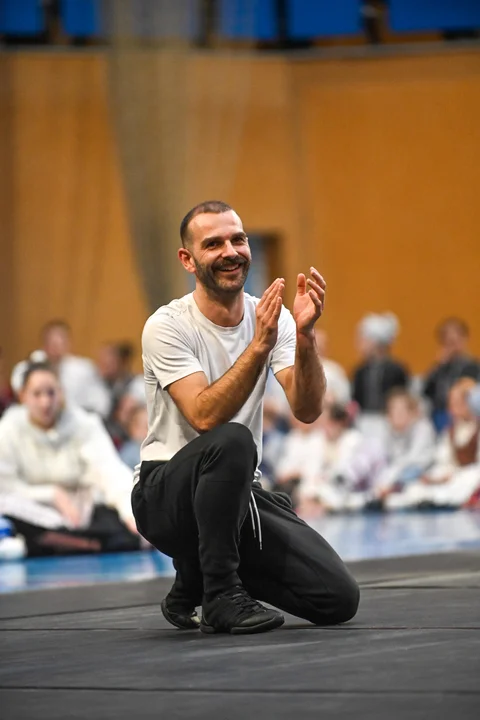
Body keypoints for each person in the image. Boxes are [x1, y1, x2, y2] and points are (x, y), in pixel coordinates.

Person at [132, 200, 359, 635]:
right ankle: (220, 595)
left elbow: (308, 409)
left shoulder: (274, 318)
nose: (230, 252)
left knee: (337, 598)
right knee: (234, 439)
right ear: (188, 260)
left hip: (235, 494)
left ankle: (193, 581)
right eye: (213, 244)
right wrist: (259, 346)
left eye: (238, 240)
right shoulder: (167, 325)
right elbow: (204, 415)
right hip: (165, 497)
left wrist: (306, 336)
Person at [0, 362, 140, 556]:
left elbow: (110, 471)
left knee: (123, 531)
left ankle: (58, 544)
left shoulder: (84, 424)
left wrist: (130, 513)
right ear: (22, 396)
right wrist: (51, 494)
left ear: (61, 392)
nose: (45, 402)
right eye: (37, 394)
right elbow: (6, 487)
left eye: (51, 393)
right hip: (34, 511)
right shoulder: (8, 428)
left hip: (83, 511)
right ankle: (79, 543)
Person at [386, 378, 480, 510]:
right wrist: (436, 477)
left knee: (468, 482)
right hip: (451, 477)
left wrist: (455, 475)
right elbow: (443, 461)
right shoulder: (450, 431)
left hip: (470, 476)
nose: (453, 409)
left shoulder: (477, 430)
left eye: (459, 403)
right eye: (451, 404)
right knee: (416, 488)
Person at [11, 320, 111, 418]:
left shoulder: (84, 369)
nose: (57, 348)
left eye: (61, 342)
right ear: (44, 344)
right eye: (53, 343)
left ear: (69, 343)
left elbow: (101, 403)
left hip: (75, 421)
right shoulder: (24, 370)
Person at [352, 312, 409, 441]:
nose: (359, 345)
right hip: (363, 423)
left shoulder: (396, 370)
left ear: (375, 342)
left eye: (363, 340)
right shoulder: (360, 371)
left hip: (389, 424)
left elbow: (401, 398)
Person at [373, 389, 436, 503]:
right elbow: (382, 458)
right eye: (394, 410)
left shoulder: (423, 428)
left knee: (413, 489)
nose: (398, 414)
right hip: (395, 476)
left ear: (412, 412)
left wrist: (393, 480)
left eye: (402, 410)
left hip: (422, 474)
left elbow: (415, 461)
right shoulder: (385, 429)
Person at [423, 318, 480, 433]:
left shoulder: (472, 365)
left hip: (463, 416)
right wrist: (438, 366)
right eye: (446, 342)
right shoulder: (439, 367)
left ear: (463, 340)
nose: (451, 347)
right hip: (438, 413)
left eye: (454, 342)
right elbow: (426, 392)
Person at [315, 329, 351, 405]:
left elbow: (345, 396)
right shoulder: (298, 368)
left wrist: (333, 398)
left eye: (322, 345)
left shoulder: (335, 369)